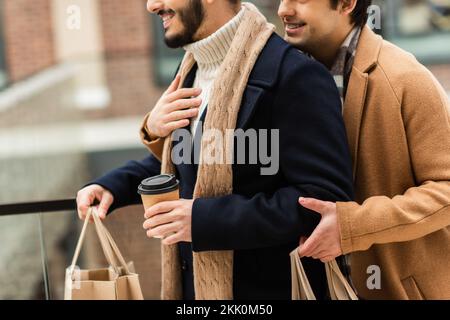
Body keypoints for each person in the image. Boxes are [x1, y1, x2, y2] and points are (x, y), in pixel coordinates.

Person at [77, 0, 354, 300]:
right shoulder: (191, 71)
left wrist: (203, 221)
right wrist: (115, 185)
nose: (151, 5)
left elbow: (324, 201)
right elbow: (192, 159)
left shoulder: (295, 75)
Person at [278, 0, 450, 299]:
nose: (283, 9)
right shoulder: (276, 75)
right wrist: (166, 134)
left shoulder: (405, 77)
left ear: (346, 4)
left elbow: (446, 191)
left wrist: (352, 227)